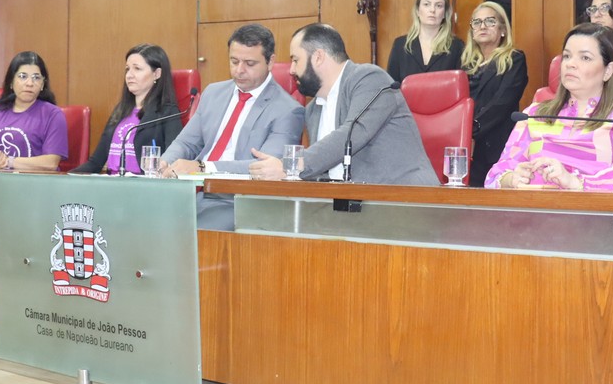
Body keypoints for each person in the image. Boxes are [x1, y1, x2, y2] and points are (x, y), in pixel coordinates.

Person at [248, 23, 439, 185]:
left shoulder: (370, 78)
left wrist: (290, 166)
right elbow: (324, 167)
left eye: (296, 60)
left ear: (318, 57)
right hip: (352, 205)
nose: (291, 70)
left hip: (406, 198)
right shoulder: (313, 110)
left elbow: (353, 134)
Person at [161, 24, 305, 229]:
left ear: (270, 61)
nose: (239, 70)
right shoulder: (213, 93)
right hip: (186, 193)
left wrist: (203, 168)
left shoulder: (288, 110)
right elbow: (186, 143)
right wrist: (165, 163)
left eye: (250, 63)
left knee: (183, 233)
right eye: (234, 61)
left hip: (236, 201)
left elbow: (263, 168)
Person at [486, 23, 613, 190]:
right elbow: (495, 176)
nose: (570, 64)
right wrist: (511, 179)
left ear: (608, 70)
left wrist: (574, 182)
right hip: (532, 203)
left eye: (585, 58)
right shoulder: (534, 114)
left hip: (592, 206)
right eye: (566, 56)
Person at [72, 44, 182, 175]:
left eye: (137, 69)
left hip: (144, 184)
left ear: (157, 74)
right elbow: (96, 162)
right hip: (111, 182)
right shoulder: (121, 110)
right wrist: (66, 178)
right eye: (127, 69)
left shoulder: (168, 112)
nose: (129, 75)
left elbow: (174, 160)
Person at [461, 1, 528, 187]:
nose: (482, 26)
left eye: (490, 21)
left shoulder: (514, 59)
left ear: (502, 29)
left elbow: (501, 103)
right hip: (467, 147)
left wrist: (471, 131)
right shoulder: (464, 64)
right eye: (477, 22)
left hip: (497, 146)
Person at [0, 51, 67, 171]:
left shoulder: (53, 114)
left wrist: (9, 161)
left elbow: (50, 163)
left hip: (36, 181)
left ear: (42, 84)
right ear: (11, 82)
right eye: (23, 76)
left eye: (36, 78)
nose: (29, 83)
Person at [385, 0, 464, 83]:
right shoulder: (400, 45)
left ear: (444, 13)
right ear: (417, 11)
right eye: (426, 4)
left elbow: (460, 85)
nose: (432, 10)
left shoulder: (456, 46)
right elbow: (391, 85)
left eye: (439, 6)